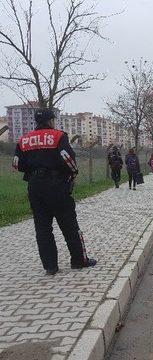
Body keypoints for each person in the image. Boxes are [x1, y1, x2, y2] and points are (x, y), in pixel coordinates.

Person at [13, 109, 97, 275]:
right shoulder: (58, 136)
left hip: (35, 186)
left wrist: (34, 169)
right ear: (50, 121)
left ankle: (50, 266)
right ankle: (78, 260)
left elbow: (17, 164)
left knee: (42, 227)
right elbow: (68, 159)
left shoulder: (24, 140)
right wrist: (72, 173)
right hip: (57, 184)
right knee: (69, 225)